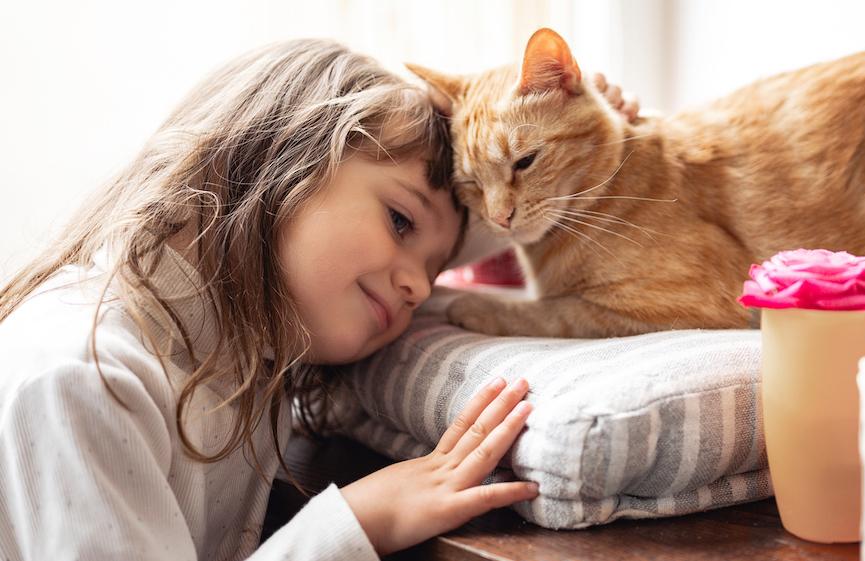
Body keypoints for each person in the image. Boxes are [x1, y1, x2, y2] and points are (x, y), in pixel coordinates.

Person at [0, 39, 637, 560]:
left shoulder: (234, 340)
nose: (420, 286)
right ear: (280, 156)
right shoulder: (87, 378)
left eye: (434, 270)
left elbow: (481, 213)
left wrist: (577, 132)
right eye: (399, 223)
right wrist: (353, 524)